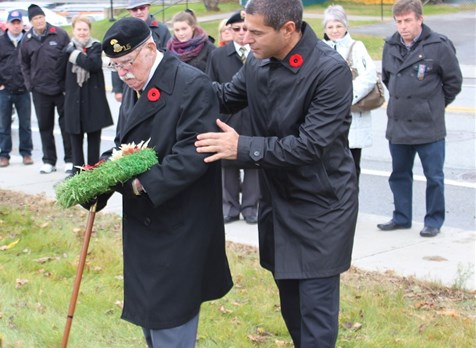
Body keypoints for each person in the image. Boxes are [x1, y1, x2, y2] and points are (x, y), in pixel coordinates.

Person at [195, 0, 358, 346]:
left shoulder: (330, 71)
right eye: (243, 29)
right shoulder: (259, 61)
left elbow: (311, 145)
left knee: (315, 314)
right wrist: (175, 78)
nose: (245, 38)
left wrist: (243, 148)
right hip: (278, 201)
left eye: (255, 32)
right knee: (292, 306)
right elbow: (224, 97)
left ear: (288, 30)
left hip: (321, 206)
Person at [95, 17, 233, 347]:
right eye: (115, 67)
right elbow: (126, 147)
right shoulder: (136, 83)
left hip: (180, 227)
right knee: (152, 325)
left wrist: (139, 184)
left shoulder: (190, 84)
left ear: (151, 49)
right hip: (147, 229)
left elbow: (192, 155)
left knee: (171, 324)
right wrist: (97, 174)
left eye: (126, 63)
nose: (123, 74)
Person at [377, 0, 462, 238]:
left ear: (420, 20)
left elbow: (453, 82)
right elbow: (387, 78)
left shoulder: (438, 45)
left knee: (434, 177)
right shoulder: (390, 45)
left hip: (429, 126)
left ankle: (433, 221)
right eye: (399, 21)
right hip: (399, 124)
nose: (403, 26)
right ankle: (401, 217)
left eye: (407, 21)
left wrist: (433, 105)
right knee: (399, 174)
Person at [206, 11, 259, 224]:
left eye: (245, 28)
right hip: (228, 118)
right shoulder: (219, 55)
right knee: (227, 166)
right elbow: (211, 88)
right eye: (235, 29)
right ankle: (229, 206)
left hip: (254, 118)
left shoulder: (258, 53)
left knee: (254, 163)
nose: (240, 33)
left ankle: (251, 207)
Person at [322, 4, 376, 181]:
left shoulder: (357, 47)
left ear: (346, 26)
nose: (335, 30)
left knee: (352, 168)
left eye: (338, 25)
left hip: (353, 117)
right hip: (327, 119)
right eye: (330, 27)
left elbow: (369, 76)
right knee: (328, 170)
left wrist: (346, 97)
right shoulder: (319, 49)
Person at [19, 4, 73, 175]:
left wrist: (67, 85)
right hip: (40, 91)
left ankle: (70, 159)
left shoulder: (59, 34)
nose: (39, 20)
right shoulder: (26, 40)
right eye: (35, 18)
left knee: (66, 126)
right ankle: (49, 160)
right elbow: (23, 64)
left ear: (44, 18)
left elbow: (70, 58)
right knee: (45, 126)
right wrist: (30, 85)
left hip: (60, 89)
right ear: (31, 21)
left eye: (41, 17)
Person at [62, 15, 113, 174]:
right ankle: (77, 171)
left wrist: (75, 54)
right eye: (79, 29)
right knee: (75, 139)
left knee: (93, 139)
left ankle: (92, 171)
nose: (82, 32)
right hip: (74, 101)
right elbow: (60, 73)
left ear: (89, 30)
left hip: (93, 101)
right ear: (73, 30)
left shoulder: (96, 46)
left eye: (85, 29)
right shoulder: (67, 48)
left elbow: (92, 64)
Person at [0, 9, 33, 168]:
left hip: (23, 90)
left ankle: (26, 153)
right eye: (13, 23)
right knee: (3, 125)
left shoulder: (28, 40)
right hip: (4, 91)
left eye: (18, 23)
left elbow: (34, 62)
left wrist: (29, 82)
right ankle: (4, 155)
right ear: (7, 25)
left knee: (25, 125)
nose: (16, 26)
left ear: (22, 24)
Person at [111, 0, 171, 103]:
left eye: (142, 8)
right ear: (130, 12)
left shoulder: (161, 30)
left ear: (148, 7)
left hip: (157, 84)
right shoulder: (123, 33)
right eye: (134, 9)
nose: (139, 12)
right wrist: (118, 89)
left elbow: (169, 59)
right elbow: (116, 61)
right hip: (131, 85)